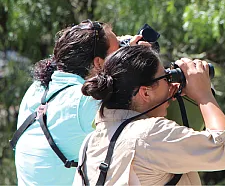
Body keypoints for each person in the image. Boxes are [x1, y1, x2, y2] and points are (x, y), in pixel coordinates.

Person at [73, 45, 225, 185]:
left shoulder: (90, 143)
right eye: (165, 78)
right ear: (145, 93)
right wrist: (203, 94)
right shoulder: (150, 134)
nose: (171, 84)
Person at [13, 20, 145, 185]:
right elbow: (145, 130)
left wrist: (117, 48)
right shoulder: (85, 101)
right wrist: (137, 63)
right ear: (98, 63)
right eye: (117, 51)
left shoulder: (37, 88)